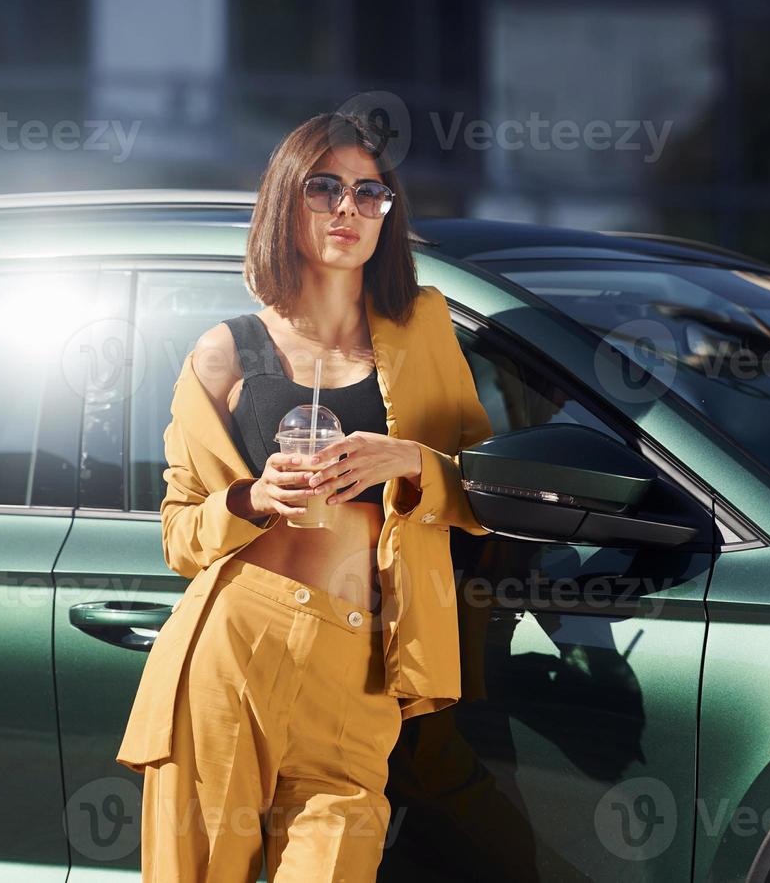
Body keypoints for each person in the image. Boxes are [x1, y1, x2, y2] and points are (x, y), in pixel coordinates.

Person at [115, 111, 495, 882]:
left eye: (369, 192)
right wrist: (253, 498)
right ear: (285, 203)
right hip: (234, 640)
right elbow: (180, 534)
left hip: (362, 662)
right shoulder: (224, 353)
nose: (348, 209)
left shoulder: (423, 330)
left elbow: (481, 490)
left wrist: (409, 459)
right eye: (324, 189)